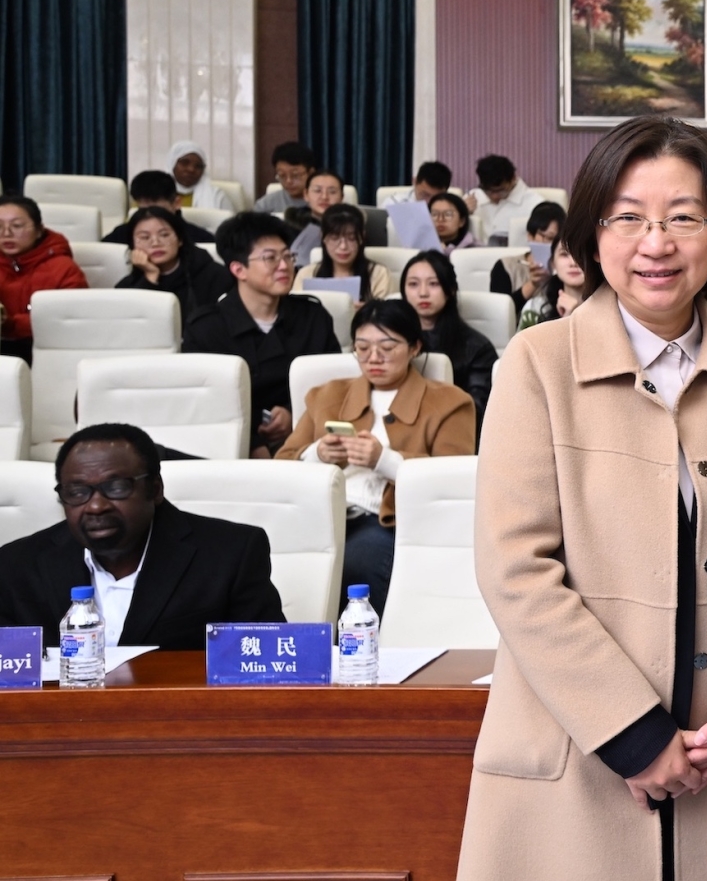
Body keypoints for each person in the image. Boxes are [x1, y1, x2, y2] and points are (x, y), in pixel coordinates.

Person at [442, 114, 707, 881]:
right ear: (591, 233)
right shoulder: (537, 363)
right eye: (628, 217)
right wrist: (635, 737)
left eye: (685, 216)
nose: (656, 243)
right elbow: (515, 568)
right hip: (574, 759)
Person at [0, 423, 283, 649]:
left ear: (155, 489)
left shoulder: (231, 554)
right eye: (77, 492)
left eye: (116, 487)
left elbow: (265, 659)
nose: (96, 506)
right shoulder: (16, 564)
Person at [279, 300, 476, 613]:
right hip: (318, 514)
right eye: (363, 347)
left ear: (415, 347)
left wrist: (383, 460)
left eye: (387, 347)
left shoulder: (451, 402)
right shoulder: (327, 394)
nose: (373, 358)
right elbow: (281, 464)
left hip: (386, 521)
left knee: (358, 564)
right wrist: (317, 454)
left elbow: (452, 483)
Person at [182, 212, 340, 456]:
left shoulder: (313, 317)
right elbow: (206, 403)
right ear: (238, 269)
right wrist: (253, 443)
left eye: (288, 256)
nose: (284, 266)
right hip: (232, 446)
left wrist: (293, 412)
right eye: (270, 258)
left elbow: (333, 385)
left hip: (309, 439)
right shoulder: (206, 328)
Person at [400, 251, 496, 427]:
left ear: (450, 289)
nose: (423, 293)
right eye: (413, 284)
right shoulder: (392, 344)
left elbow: (478, 411)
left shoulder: (477, 348)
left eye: (434, 284)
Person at [0, 195, 88, 362]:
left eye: (17, 226)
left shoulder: (64, 268)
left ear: (39, 230)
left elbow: (70, 319)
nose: (6, 233)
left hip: (48, 353)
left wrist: (10, 323)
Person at [115, 206, 235, 316]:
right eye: (145, 237)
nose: (156, 243)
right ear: (133, 246)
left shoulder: (216, 276)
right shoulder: (126, 288)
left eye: (164, 235)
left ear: (180, 240)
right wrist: (150, 278)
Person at [294, 204, 392, 304]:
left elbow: (385, 315)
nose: (343, 246)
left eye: (351, 238)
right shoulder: (307, 274)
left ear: (362, 237)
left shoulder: (378, 274)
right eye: (335, 238)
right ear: (323, 237)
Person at [489, 200, 564, 315]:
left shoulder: (570, 268)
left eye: (558, 239)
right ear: (530, 236)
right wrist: (533, 284)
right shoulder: (506, 266)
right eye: (549, 238)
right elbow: (497, 314)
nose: (554, 245)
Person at [104, 171, 215, 245]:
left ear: (176, 203)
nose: (150, 216)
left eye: (157, 210)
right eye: (143, 210)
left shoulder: (201, 240)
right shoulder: (121, 234)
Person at [517, 239, 590, 329]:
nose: (573, 263)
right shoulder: (535, 308)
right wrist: (565, 321)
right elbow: (522, 343)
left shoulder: (608, 309)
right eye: (564, 254)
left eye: (581, 254)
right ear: (552, 263)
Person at [469, 154, 542, 244]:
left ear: (513, 179)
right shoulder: (472, 198)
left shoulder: (535, 204)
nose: (494, 196)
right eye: (488, 191)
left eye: (501, 190)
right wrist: (463, 213)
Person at [285, 168, 348, 261]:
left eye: (332, 192)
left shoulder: (351, 225)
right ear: (306, 194)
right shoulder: (290, 225)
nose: (324, 197)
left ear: (342, 197)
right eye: (317, 191)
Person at [171, 141, 234, 211]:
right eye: (185, 163)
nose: (191, 169)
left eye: (198, 166)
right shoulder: (158, 193)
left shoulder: (217, 197)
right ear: (172, 164)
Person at [255, 141, 316, 213]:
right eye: (282, 175)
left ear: (311, 173)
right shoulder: (265, 205)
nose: (288, 181)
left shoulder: (323, 202)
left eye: (295, 175)